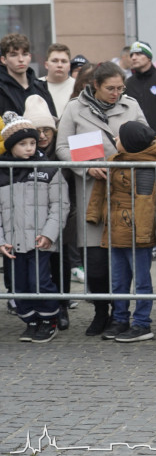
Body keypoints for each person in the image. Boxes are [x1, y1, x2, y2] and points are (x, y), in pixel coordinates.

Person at [56, 62, 148, 336]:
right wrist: (84, 166)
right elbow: (61, 147)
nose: (116, 93)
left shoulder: (130, 106)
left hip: (123, 196)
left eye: (120, 88)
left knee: (120, 263)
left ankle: (120, 315)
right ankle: (100, 312)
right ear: (95, 85)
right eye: (110, 88)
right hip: (92, 195)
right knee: (95, 265)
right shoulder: (74, 108)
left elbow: (147, 141)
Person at [85, 121, 156, 343]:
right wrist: (93, 215)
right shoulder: (114, 161)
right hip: (114, 230)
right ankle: (119, 319)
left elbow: (145, 202)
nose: (115, 141)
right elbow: (99, 190)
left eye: (119, 138)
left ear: (129, 143)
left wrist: (142, 235)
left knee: (141, 281)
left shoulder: (146, 167)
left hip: (137, 233)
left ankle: (142, 323)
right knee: (118, 280)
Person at [0, 111, 68, 343]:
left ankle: (49, 319)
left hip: (40, 239)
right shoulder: (3, 173)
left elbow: (60, 205)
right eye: (23, 144)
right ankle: (30, 320)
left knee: (40, 282)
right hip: (13, 242)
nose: (29, 148)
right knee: (19, 286)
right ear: (11, 147)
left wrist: (49, 234)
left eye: (32, 143)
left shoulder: (48, 169)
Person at [123, 41, 156, 131]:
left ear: (149, 57)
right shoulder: (128, 84)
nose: (133, 58)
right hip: (139, 137)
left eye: (138, 54)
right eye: (131, 55)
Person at [0, 33, 57, 118]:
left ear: (30, 57)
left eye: (24, 54)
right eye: (14, 55)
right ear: (4, 60)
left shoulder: (41, 88)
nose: (21, 59)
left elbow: (53, 122)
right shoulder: (2, 90)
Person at [43, 44, 75, 117]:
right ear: (46, 65)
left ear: (69, 66)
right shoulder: (35, 86)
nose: (59, 65)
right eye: (55, 61)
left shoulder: (78, 87)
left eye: (64, 61)